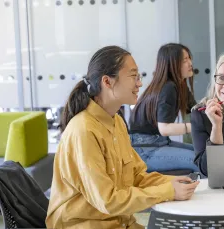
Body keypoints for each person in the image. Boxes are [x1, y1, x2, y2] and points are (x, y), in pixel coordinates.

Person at [46, 46, 200, 229]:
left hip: (119, 222)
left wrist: (171, 182)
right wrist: (168, 191)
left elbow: (138, 177)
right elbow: (108, 201)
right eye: (134, 76)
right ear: (108, 81)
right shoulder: (84, 130)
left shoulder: (117, 122)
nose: (139, 83)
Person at [129, 43, 199, 173]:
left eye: (190, 58)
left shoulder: (180, 86)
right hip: (144, 150)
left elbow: (196, 110)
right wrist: (196, 126)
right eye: (185, 60)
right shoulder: (168, 88)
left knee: (204, 155)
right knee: (200, 160)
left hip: (159, 143)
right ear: (172, 63)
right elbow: (165, 129)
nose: (190, 63)